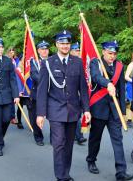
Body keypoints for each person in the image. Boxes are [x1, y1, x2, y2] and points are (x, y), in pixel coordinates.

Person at [36, 30, 91, 181]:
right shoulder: (47, 63)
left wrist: (86, 109)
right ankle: (61, 176)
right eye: (62, 43)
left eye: (67, 43)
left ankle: (65, 173)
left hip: (73, 110)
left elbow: (83, 89)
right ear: (56, 44)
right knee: (59, 143)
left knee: (68, 145)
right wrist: (40, 114)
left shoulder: (78, 62)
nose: (65, 46)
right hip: (55, 110)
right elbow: (41, 91)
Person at [86, 41, 133, 181]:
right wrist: (107, 83)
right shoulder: (96, 63)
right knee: (96, 138)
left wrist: (123, 112)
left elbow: (121, 89)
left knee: (117, 139)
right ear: (103, 52)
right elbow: (95, 76)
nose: (112, 56)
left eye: (114, 53)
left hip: (114, 109)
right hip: (98, 107)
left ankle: (121, 171)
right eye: (109, 53)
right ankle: (91, 160)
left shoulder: (120, 66)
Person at [29, 41, 49, 146]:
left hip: (52, 94)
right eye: (42, 49)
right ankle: (38, 137)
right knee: (35, 117)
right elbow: (34, 76)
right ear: (38, 50)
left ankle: (55, 138)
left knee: (55, 117)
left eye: (46, 49)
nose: (44, 51)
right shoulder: (34, 62)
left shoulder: (53, 61)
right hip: (37, 93)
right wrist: (47, 80)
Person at [69, 42, 87, 145]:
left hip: (81, 93)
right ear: (71, 51)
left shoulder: (81, 62)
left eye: (79, 50)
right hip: (72, 95)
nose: (78, 52)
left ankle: (76, 135)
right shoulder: (70, 62)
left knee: (77, 116)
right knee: (76, 116)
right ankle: (79, 136)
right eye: (76, 50)